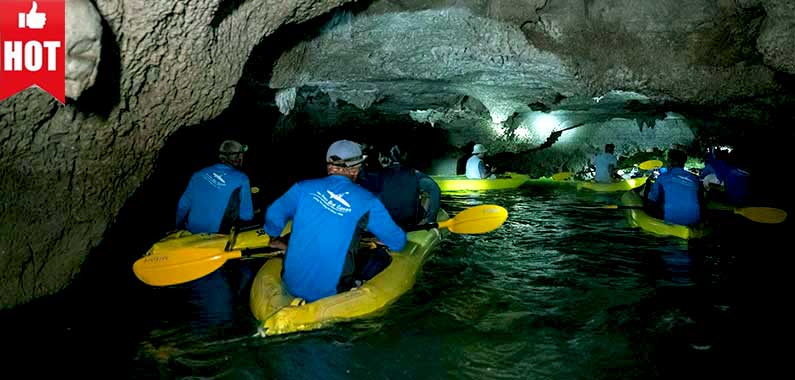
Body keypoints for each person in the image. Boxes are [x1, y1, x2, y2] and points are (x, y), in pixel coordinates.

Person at [263, 140, 407, 302]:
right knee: (380, 256)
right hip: (332, 293)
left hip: (290, 283)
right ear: (355, 168)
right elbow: (398, 241)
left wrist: (274, 237)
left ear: (329, 166)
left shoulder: (302, 187)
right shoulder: (368, 201)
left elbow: (273, 214)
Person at [173, 139, 255, 334]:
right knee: (246, 274)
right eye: (241, 154)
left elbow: (182, 206)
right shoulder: (241, 178)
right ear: (236, 157)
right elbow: (247, 215)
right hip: (215, 244)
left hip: (190, 238)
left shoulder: (198, 174)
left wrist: (177, 230)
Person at [359, 144, 441, 227]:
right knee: (425, 195)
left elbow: (361, 181)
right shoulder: (414, 174)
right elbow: (435, 189)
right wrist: (431, 220)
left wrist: (363, 161)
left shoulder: (379, 175)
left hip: (386, 219)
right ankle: (427, 220)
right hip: (410, 221)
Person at [645, 149, 703, 225]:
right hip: (694, 220)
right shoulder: (694, 178)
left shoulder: (662, 177)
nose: (666, 164)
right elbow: (700, 198)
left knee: (651, 200)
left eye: (668, 161)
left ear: (672, 162)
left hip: (671, 220)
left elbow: (652, 198)